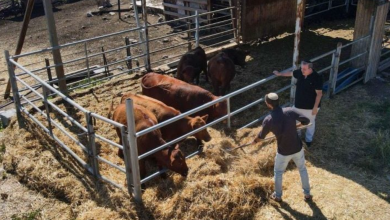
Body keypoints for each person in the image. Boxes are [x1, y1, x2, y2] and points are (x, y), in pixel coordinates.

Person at [251, 93, 312, 202]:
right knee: (302, 169)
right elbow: (306, 121)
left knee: (278, 172)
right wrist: (297, 125)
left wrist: (255, 141)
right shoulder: (290, 111)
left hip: (283, 151)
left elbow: (261, 136)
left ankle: (278, 195)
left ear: (268, 104)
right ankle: (307, 194)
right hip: (297, 148)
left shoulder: (269, 120)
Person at [273, 60, 323, 147]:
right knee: (295, 121)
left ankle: (308, 140)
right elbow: (291, 73)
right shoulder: (300, 72)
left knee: (310, 123)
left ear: (310, 69)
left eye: (304, 69)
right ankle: (297, 136)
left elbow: (319, 94)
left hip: (310, 107)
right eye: (301, 68)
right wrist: (280, 74)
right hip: (298, 104)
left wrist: (315, 107)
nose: (302, 70)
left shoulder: (317, 78)